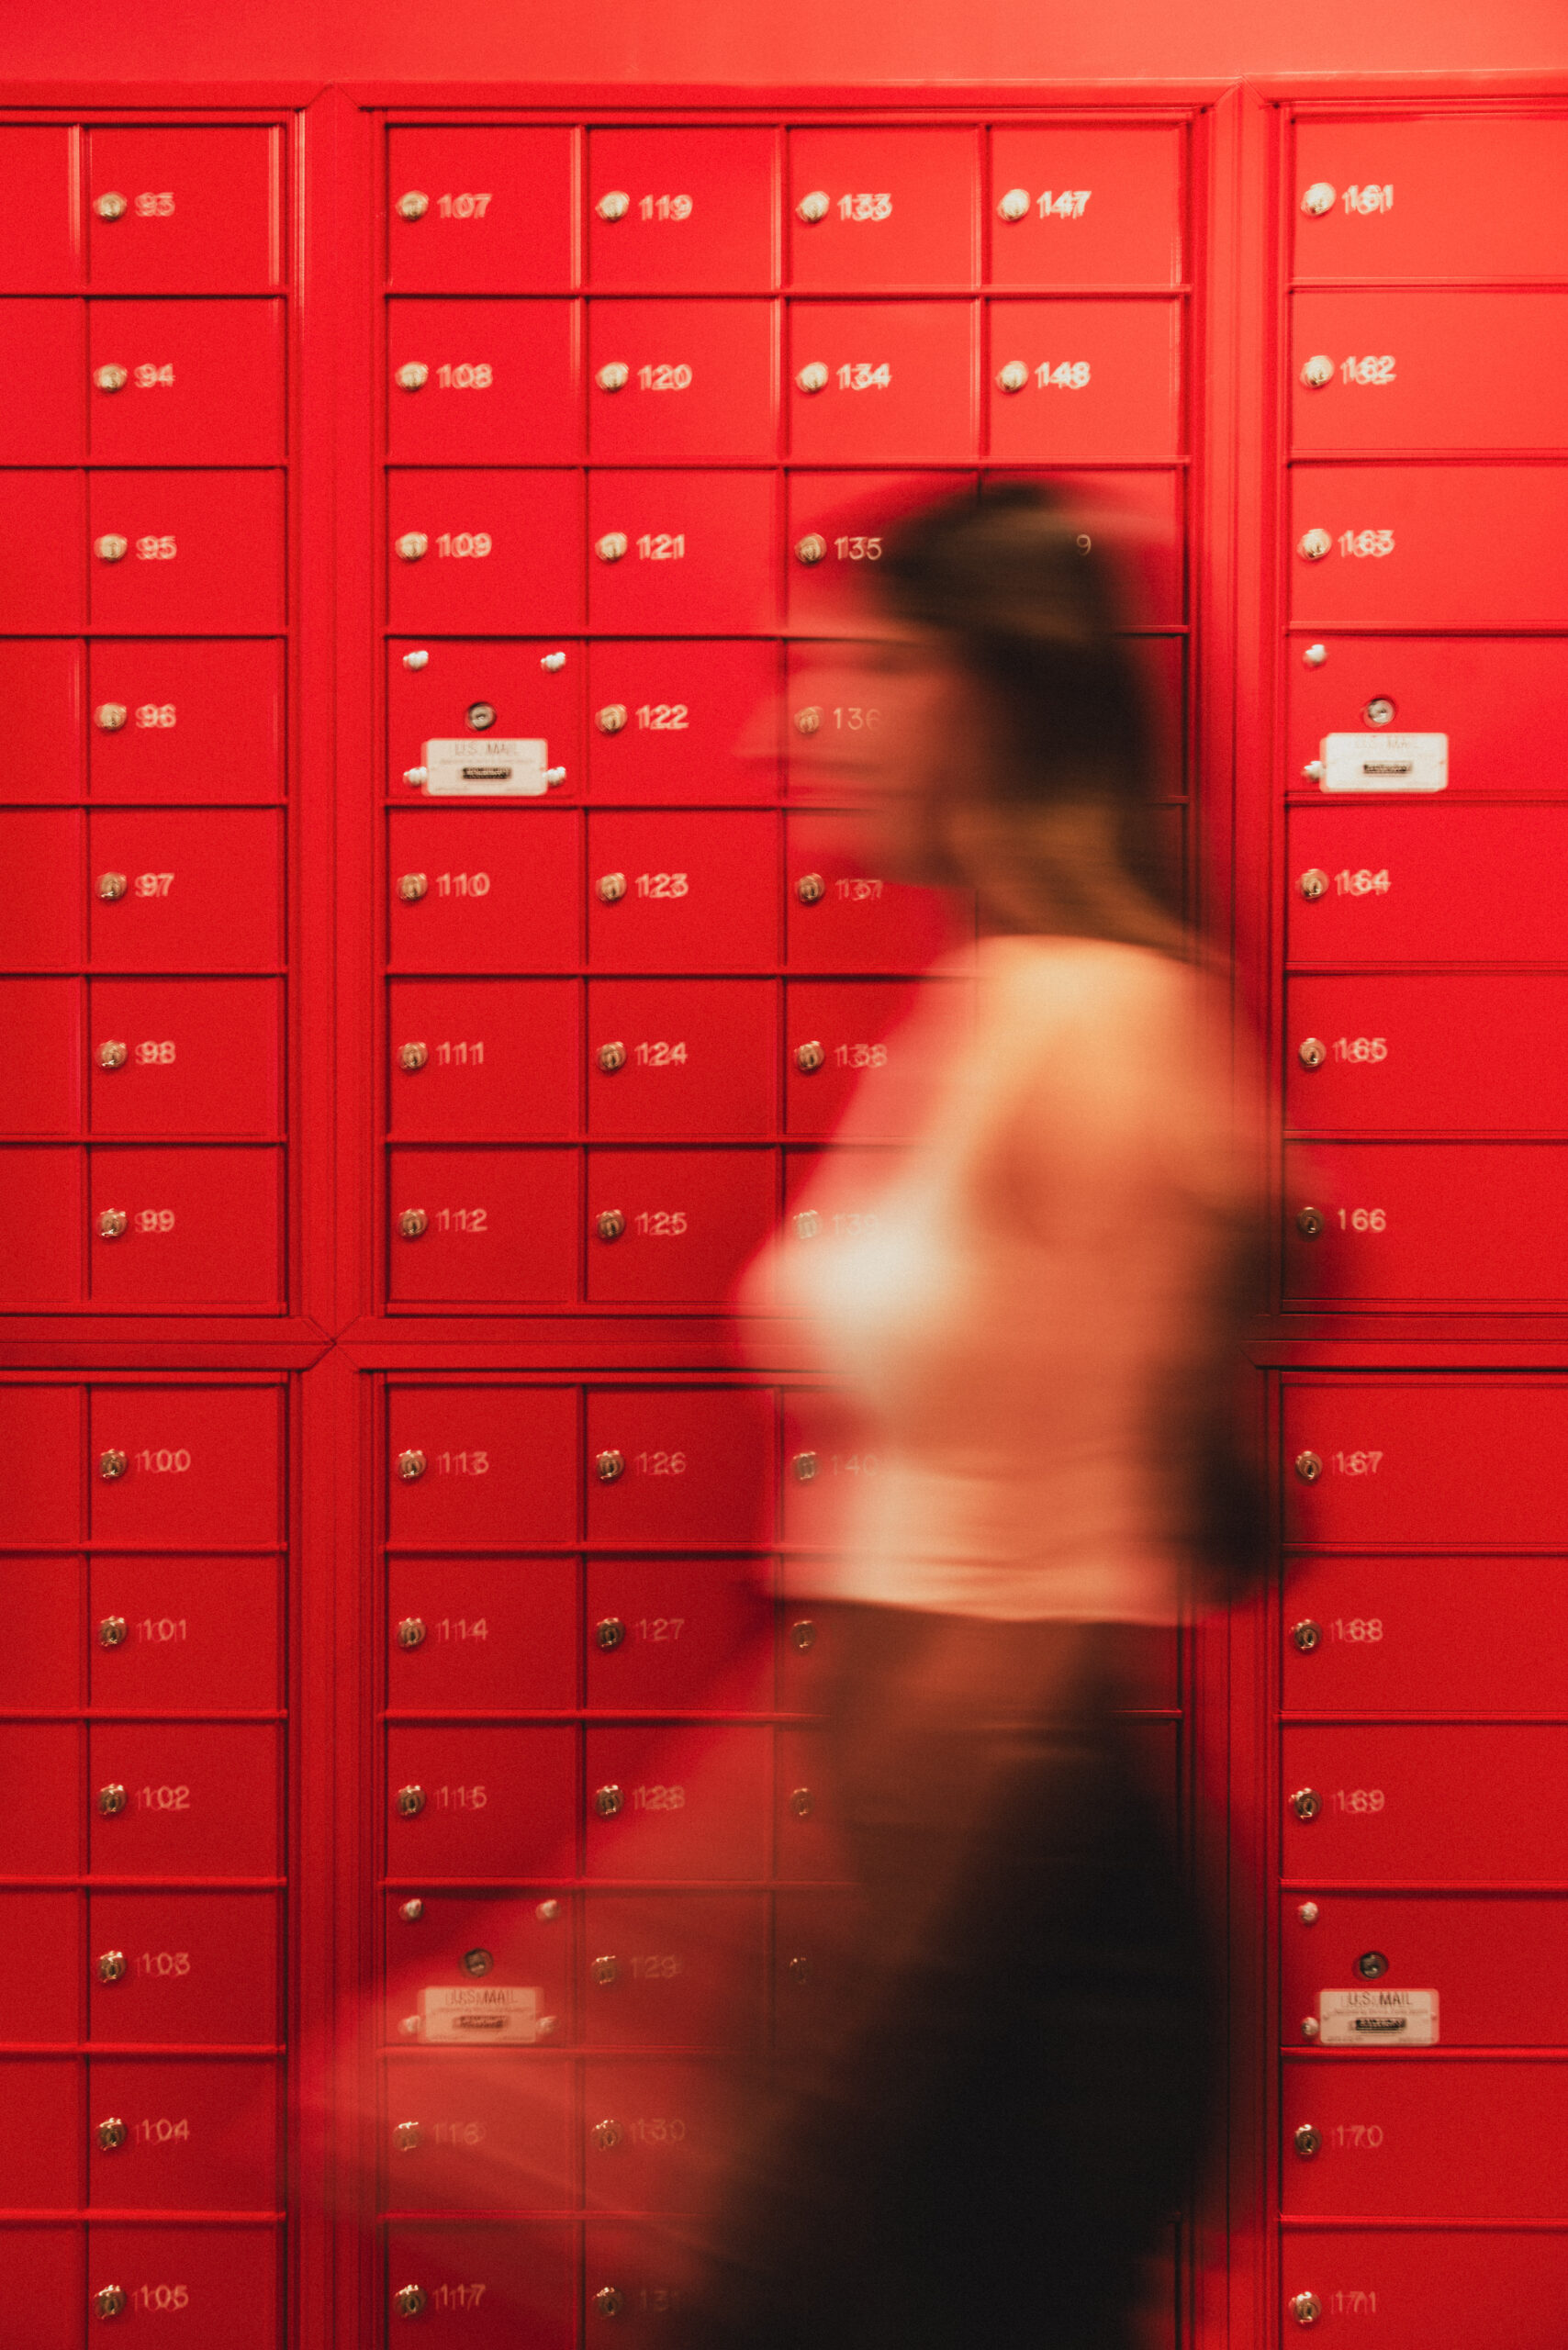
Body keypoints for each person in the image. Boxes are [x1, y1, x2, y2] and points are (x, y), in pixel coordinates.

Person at [690, 483, 1266, 2350]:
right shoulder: (994, 996)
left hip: (1027, 1947)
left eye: (854, 671)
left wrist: (851, 2033)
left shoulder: (1098, 1020)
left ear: (997, 694)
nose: (787, 729)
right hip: (941, 1909)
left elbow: (1024, 1620)